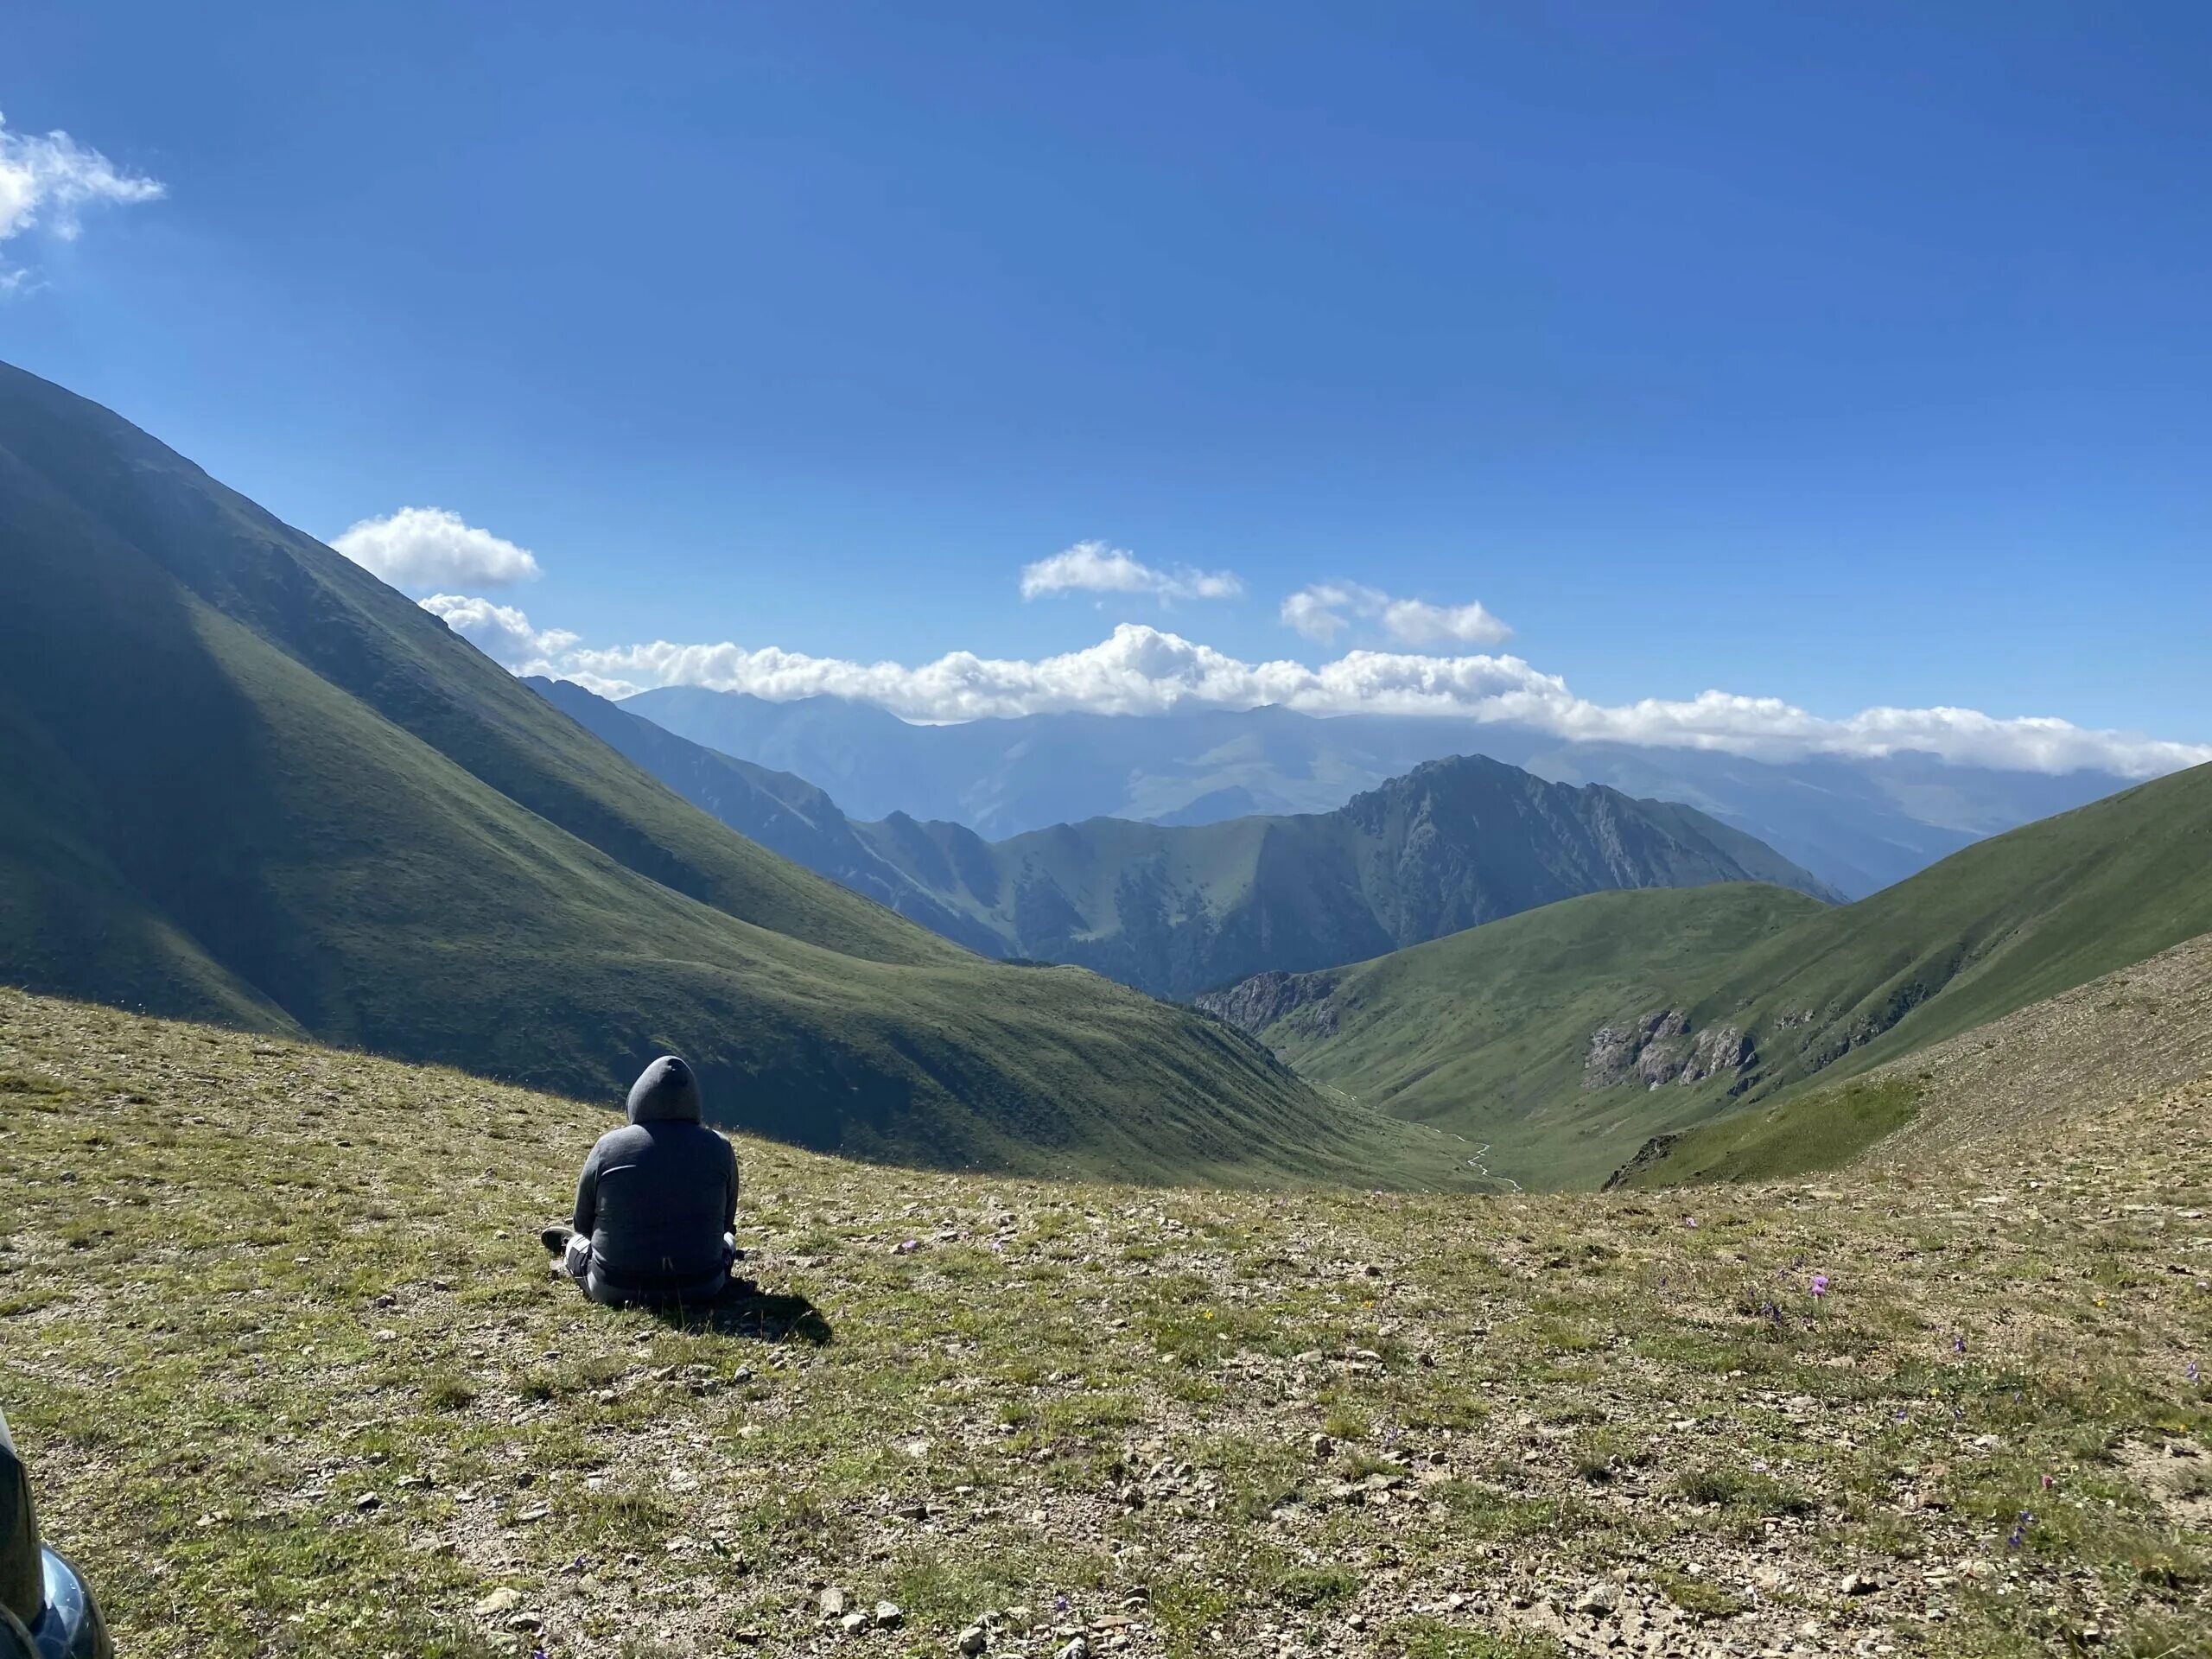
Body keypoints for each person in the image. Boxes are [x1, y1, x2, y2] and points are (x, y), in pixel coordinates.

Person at [540, 1055, 741, 1307]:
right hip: (702, 1285)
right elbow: (726, 1222)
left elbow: (582, 1222)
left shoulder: (608, 1145)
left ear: (639, 1097)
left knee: (577, 1242)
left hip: (615, 1285)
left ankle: (568, 1245)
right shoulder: (720, 1147)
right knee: (728, 1241)